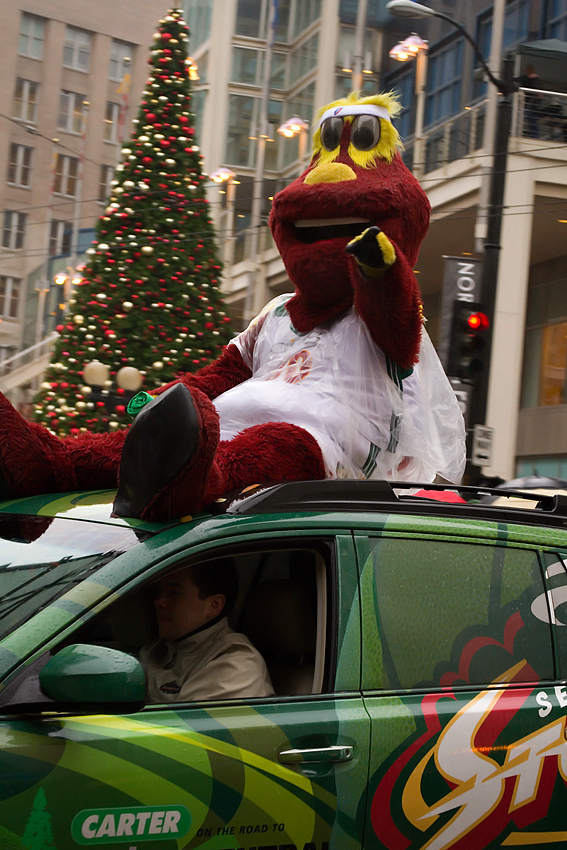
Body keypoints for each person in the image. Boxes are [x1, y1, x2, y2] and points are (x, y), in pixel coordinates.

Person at [140, 559, 274, 703]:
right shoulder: (156, 649)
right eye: (160, 591)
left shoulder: (235, 666)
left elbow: (188, 718)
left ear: (214, 605)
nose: (159, 601)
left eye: (175, 592)